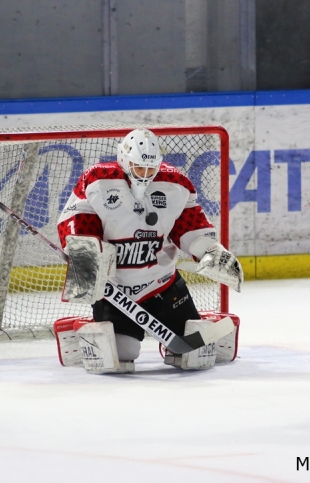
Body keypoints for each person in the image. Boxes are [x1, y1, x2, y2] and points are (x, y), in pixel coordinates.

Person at [56, 128, 243, 373]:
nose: (145, 175)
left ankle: (198, 323)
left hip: (163, 285)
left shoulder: (175, 184)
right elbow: (75, 221)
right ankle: (81, 328)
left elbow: (190, 225)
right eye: (139, 168)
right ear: (124, 161)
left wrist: (209, 250)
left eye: (150, 168)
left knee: (196, 354)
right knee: (123, 354)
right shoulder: (98, 180)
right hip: (117, 292)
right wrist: (85, 251)